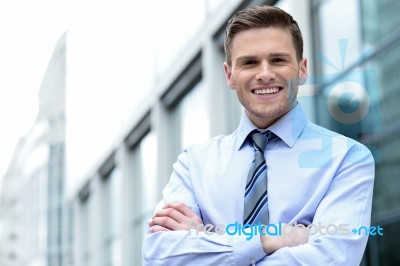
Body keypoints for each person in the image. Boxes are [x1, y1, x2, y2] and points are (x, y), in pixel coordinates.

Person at [143, 5, 375, 265]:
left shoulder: (347, 158)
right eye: (249, 62)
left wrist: (207, 241)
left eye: (278, 60)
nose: (265, 74)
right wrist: (269, 239)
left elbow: (332, 259)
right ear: (230, 75)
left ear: (302, 69)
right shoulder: (194, 164)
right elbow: (159, 256)